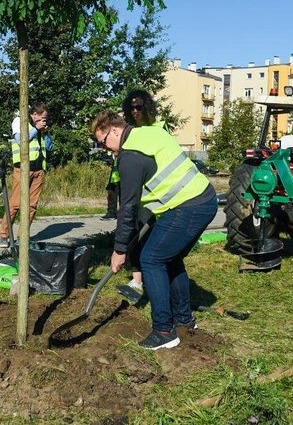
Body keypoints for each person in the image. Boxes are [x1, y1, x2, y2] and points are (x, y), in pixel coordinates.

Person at [92, 110, 218, 350]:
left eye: (103, 142)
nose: (105, 150)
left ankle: (164, 331)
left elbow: (127, 207)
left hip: (188, 206)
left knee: (151, 259)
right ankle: (184, 321)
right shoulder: (149, 133)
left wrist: (120, 250)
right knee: (170, 259)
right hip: (203, 199)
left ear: (115, 130)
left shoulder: (130, 156)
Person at [116, 89, 165, 297]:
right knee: (134, 232)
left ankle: (155, 284)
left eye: (139, 107)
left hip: (153, 194)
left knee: (150, 240)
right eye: (132, 108)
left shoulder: (157, 129)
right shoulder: (129, 135)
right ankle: (137, 279)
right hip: (132, 190)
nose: (135, 112)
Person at [0, 102, 52, 247]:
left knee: (32, 206)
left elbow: (48, 147)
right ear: (34, 115)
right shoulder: (19, 121)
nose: (44, 120)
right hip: (23, 169)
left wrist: (45, 133)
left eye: (45, 118)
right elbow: (20, 140)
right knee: (16, 204)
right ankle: (4, 235)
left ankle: (22, 237)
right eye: (42, 117)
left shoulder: (41, 127)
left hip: (39, 170)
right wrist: (36, 129)